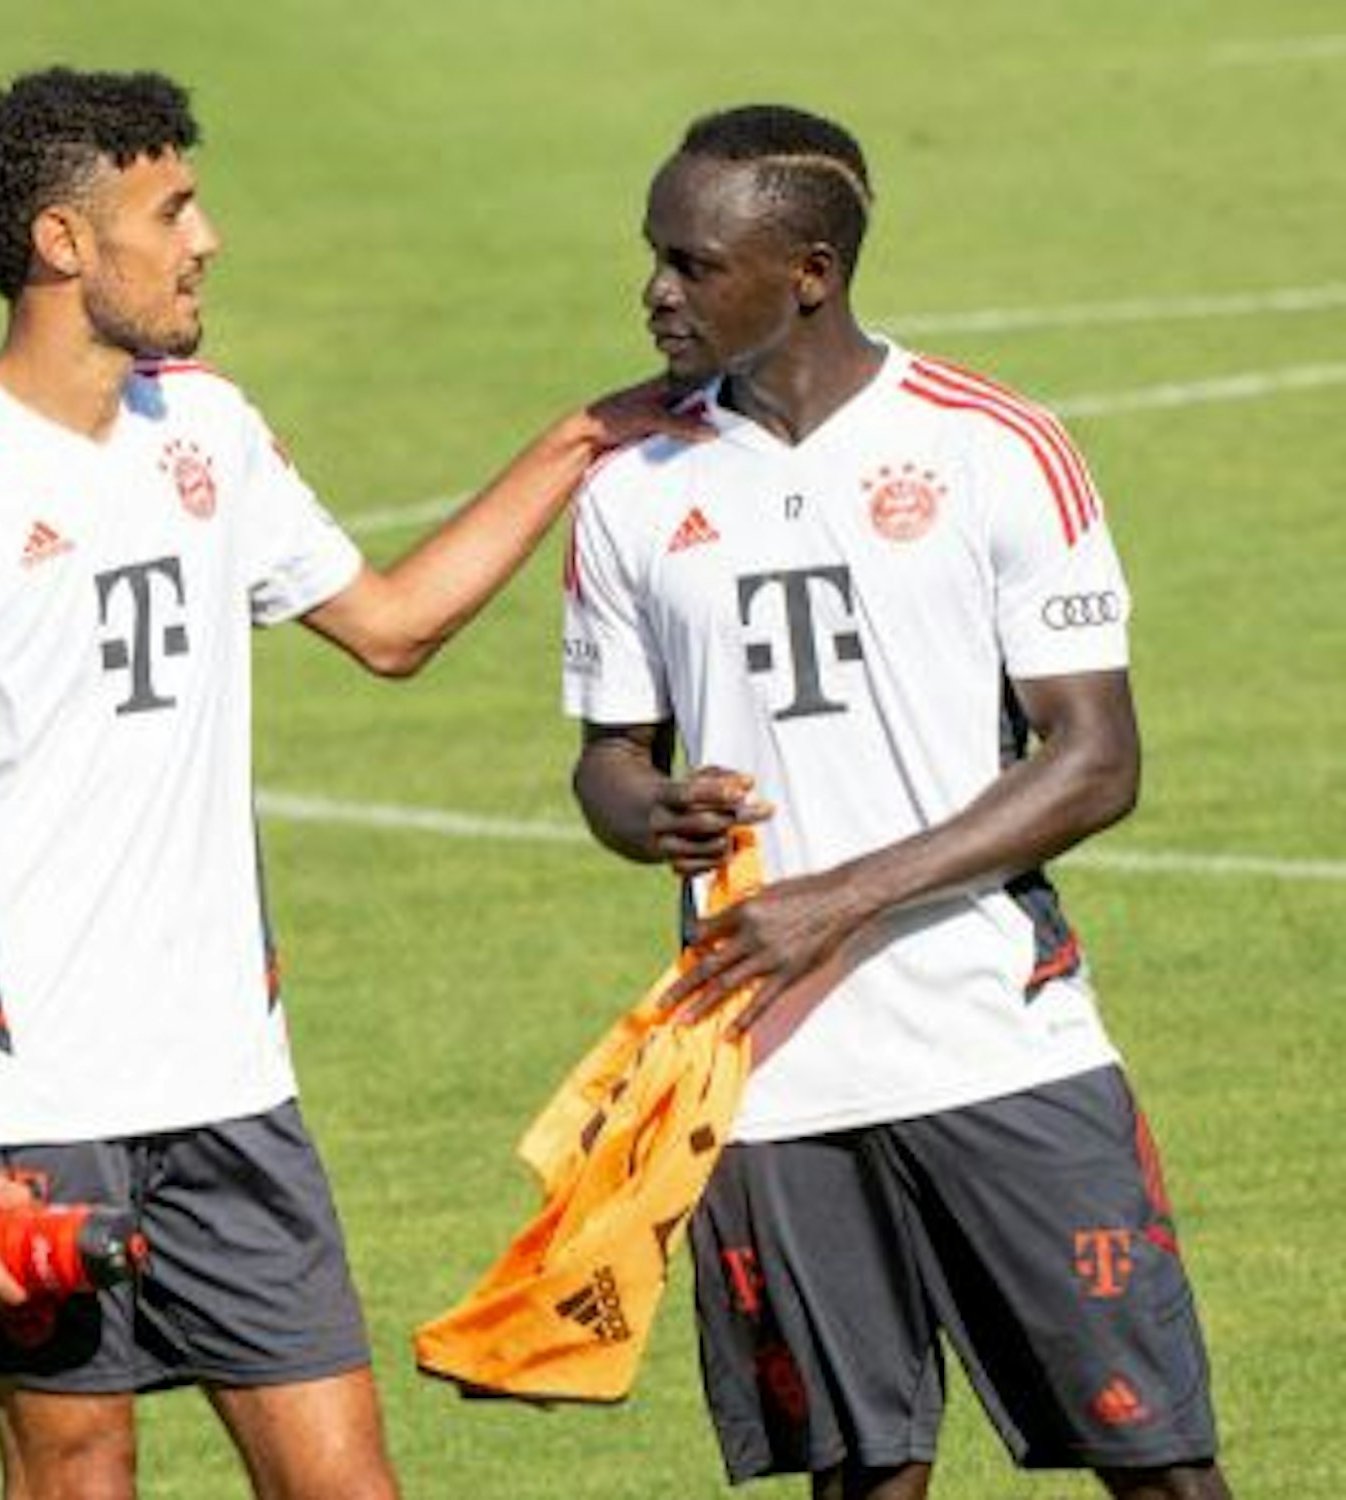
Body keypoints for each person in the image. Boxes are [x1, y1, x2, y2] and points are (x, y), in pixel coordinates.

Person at [0, 65, 679, 1500]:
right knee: (78, 1480)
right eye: (172, 209)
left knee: (347, 1486)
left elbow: (391, 627)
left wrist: (585, 439)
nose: (206, 239)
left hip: (229, 1083)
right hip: (30, 1107)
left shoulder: (203, 423)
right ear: (64, 243)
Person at [561, 104, 1234, 1500]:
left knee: (1159, 1464)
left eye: (693, 262)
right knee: (862, 1483)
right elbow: (605, 760)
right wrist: (646, 809)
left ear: (808, 271)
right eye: (654, 256)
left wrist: (844, 897)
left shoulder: (996, 447)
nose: (657, 291)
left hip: (996, 1042)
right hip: (763, 1082)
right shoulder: (629, 487)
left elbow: (1095, 759)